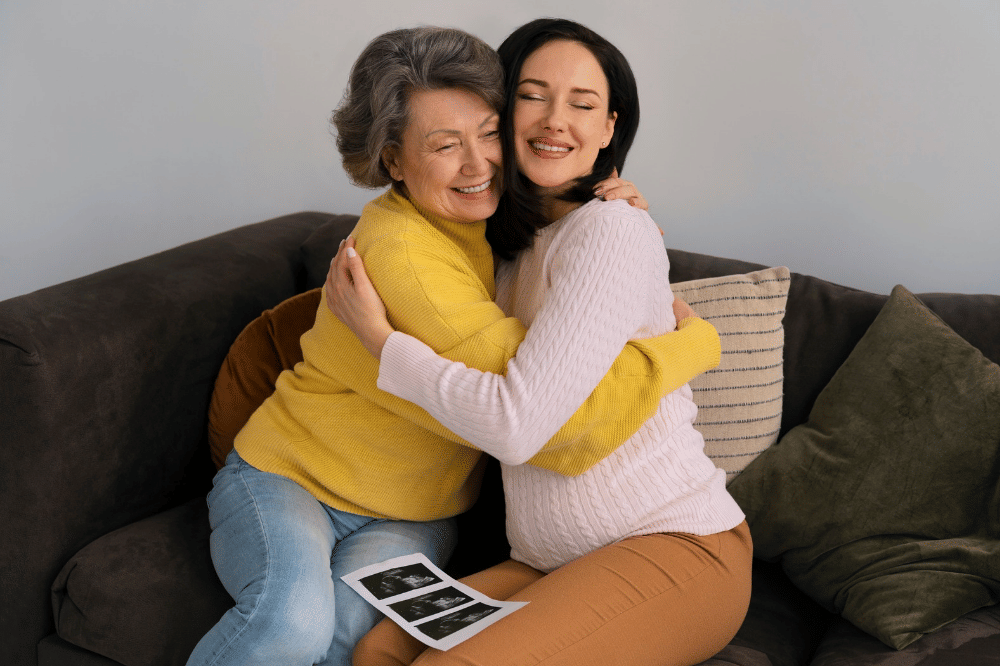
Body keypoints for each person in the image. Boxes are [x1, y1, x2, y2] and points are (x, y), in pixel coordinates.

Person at [186, 25, 720, 666]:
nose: (478, 163)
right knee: (296, 624)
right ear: (392, 161)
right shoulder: (407, 253)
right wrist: (692, 345)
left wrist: (627, 235)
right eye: (444, 145)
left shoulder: (502, 225)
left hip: (417, 511)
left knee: (349, 643)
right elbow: (550, 427)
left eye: (487, 133)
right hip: (295, 479)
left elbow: (592, 256)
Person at [329, 19, 752, 666]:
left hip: (678, 545)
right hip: (549, 563)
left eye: (583, 104)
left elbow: (517, 425)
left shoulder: (610, 230)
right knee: (379, 649)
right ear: (500, 111)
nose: (557, 119)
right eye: (534, 95)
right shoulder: (503, 249)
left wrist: (384, 345)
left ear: (609, 129)